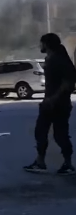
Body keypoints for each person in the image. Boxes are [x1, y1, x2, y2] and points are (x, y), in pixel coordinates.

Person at [24, 33, 76, 175]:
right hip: (52, 103)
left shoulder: (59, 60)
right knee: (43, 132)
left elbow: (68, 83)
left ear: (46, 44)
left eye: (41, 43)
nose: (40, 46)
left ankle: (66, 164)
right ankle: (42, 162)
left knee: (58, 134)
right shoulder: (52, 58)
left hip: (56, 104)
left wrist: (53, 98)